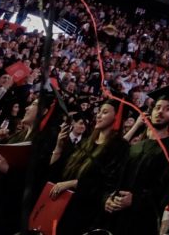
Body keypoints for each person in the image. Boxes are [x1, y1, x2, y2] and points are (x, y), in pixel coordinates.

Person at [100, 86, 169, 235]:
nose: (160, 112)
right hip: (116, 218)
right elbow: (113, 177)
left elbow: (167, 191)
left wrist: (136, 200)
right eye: (157, 107)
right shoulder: (135, 147)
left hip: (143, 222)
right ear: (150, 112)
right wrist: (107, 198)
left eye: (167, 109)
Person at [49, 97, 130, 235]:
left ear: (117, 117)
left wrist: (73, 183)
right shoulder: (86, 142)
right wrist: (59, 146)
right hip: (63, 208)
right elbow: (58, 172)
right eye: (99, 112)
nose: (98, 115)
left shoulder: (119, 147)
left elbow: (107, 184)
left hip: (85, 215)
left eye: (104, 112)